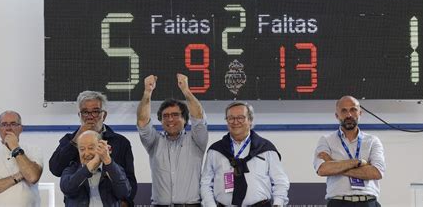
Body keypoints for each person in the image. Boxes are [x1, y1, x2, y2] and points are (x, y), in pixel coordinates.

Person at [49, 90, 137, 206]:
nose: (90, 117)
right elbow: (56, 169)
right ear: (79, 115)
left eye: (95, 111)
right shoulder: (70, 139)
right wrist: (77, 139)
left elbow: (130, 182)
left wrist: (125, 201)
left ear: (104, 115)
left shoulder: (120, 142)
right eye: (85, 112)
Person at [137, 73, 208, 206]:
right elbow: (142, 121)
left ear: (185, 119)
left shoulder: (197, 141)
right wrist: (147, 92)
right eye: (166, 116)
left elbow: (198, 116)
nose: (170, 119)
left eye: (175, 115)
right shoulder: (154, 142)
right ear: (161, 120)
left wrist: (186, 91)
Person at [201, 101, 290, 207]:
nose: (235, 122)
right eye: (231, 118)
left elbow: (280, 181)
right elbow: (206, 183)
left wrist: (278, 203)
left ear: (250, 120)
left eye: (241, 117)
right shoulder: (215, 150)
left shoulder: (266, 149)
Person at [313, 96, 386, 206]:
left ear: (360, 113)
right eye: (344, 111)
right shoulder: (326, 140)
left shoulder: (373, 141)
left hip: (368, 202)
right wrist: (358, 163)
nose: (349, 115)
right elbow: (322, 169)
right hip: (338, 202)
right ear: (337, 115)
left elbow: (377, 172)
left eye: (353, 110)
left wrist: (333, 162)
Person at [0, 111, 43, 207]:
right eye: (4, 124)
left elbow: (32, 177)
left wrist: (15, 147)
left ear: (20, 128)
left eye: (13, 124)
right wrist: (19, 175)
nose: (8, 128)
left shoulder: (34, 150)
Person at [60, 130, 131, 206]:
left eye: (91, 148)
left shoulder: (112, 169)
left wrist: (107, 160)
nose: (86, 153)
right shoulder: (71, 170)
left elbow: (124, 193)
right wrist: (93, 163)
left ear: (101, 147)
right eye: (82, 149)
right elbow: (67, 189)